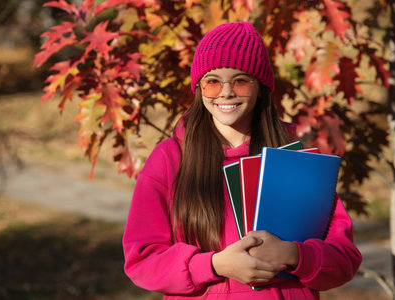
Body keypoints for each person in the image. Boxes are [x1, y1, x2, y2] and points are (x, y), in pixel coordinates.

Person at [122, 22, 362, 299]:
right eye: (212, 81)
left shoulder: (296, 159)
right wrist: (213, 265)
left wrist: (295, 254)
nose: (225, 92)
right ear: (199, 89)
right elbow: (142, 259)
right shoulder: (170, 158)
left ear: (260, 87)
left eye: (240, 80)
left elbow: (344, 257)